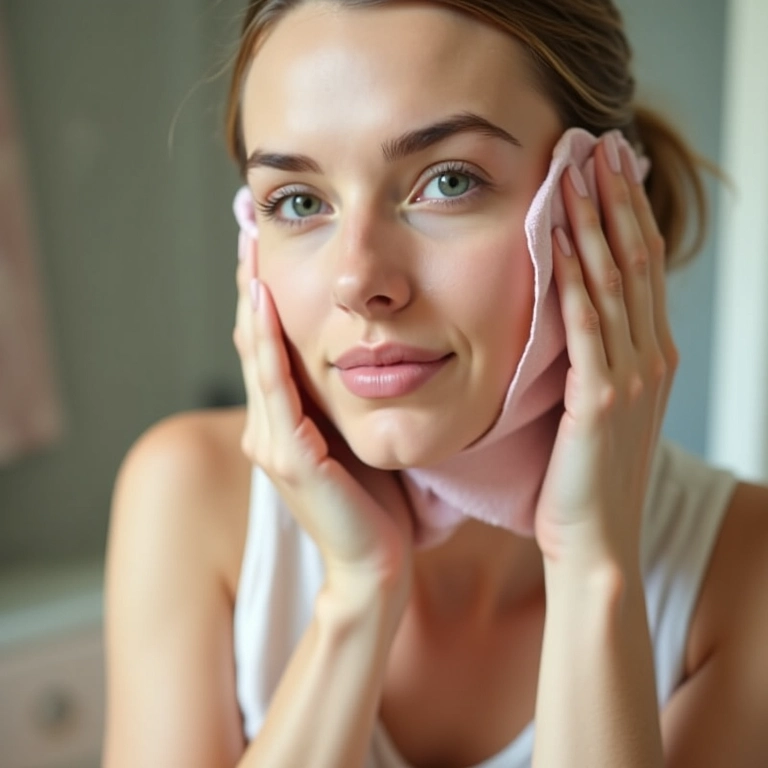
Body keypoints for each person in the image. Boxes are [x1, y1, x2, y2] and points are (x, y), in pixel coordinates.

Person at [102, 1, 768, 766]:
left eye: (448, 181)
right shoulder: (189, 496)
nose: (357, 280)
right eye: (299, 202)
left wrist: (591, 569)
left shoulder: (746, 572)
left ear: (604, 208)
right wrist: (357, 596)